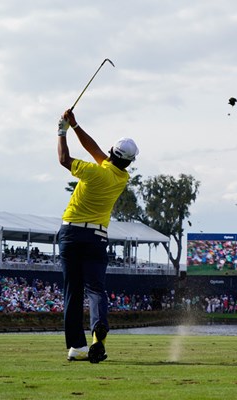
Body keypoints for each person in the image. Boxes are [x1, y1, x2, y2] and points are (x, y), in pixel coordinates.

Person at [57, 109, 138, 363]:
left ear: (111, 152)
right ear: (129, 161)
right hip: (97, 237)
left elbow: (63, 159)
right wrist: (76, 124)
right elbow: (95, 150)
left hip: (71, 233)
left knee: (73, 292)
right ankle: (98, 336)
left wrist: (62, 131)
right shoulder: (121, 176)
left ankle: (77, 348)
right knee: (96, 291)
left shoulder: (93, 172)